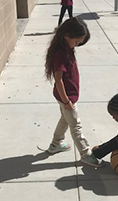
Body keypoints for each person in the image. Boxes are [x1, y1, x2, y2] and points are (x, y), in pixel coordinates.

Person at [44, 17, 104, 167]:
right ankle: (85, 153)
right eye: (76, 42)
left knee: (65, 119)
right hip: (66, 97)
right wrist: (66, 101)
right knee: (75, 125)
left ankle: (55, 144)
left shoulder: (67, 48)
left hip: (67, 96)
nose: (76, 45)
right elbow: (59, 80)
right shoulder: (61, 53)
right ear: (67, 35)